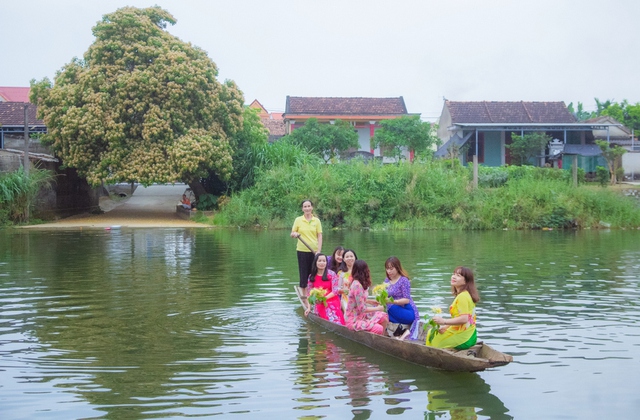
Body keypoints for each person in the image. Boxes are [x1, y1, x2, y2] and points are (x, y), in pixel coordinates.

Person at [426, 266, 480, 350]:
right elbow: (458, 318)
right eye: (453, 274)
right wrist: (446, 326)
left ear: (466, 281)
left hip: (464, 338)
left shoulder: (463, 296)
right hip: (469, 334)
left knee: (433, 338)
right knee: (432, 333)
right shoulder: (465, 294)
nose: (454, 277)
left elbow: (464, 319)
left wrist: (443, 321)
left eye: (458, 275)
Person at [344, 259, 388, 335]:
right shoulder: (357, 285)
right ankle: (376, 339)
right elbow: (362, 309)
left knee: (384, 316)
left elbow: (358, 299)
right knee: (379, 328)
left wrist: (370, 301)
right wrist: (377, 308)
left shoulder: (359, 283)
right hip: (353, 319)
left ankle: (381, 338)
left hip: (361, 315)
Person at [290, 199, 323, 297]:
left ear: (312, 208)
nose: (307, 208)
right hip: (302, 251)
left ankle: (313, 294)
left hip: (314, 252)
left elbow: (319, 236)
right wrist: (295, 234)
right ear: (302, 209)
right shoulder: (298, 220)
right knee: (303, 273)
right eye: (305, 206)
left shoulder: (316, 221)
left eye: (309, 206)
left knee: (314, 273)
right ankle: (304, 296)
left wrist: (319, 251)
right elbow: (292, 233)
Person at [383, 256, 420, 340]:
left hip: (407, 310)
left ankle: (404, 331)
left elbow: (406, 300)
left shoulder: (404, 280)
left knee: (388, 307)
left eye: (391, 269)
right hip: (395, 309)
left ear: (397, 268)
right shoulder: (387, 280)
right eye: (387, 269)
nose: (389, 271)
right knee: (381, 309)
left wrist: (392, 301)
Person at [305, 253, 345, 325]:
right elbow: (309, 293)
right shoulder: (312, 277)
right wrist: (309, 308)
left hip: (332, 299)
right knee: (322, 309)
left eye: (324, 261)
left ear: (326, 263)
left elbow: (335, 291)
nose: (322, 263)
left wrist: (324, 298)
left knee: (332, 312)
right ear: (315, 262)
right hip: (319, 302)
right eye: (319, 261)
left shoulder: (332, 274)